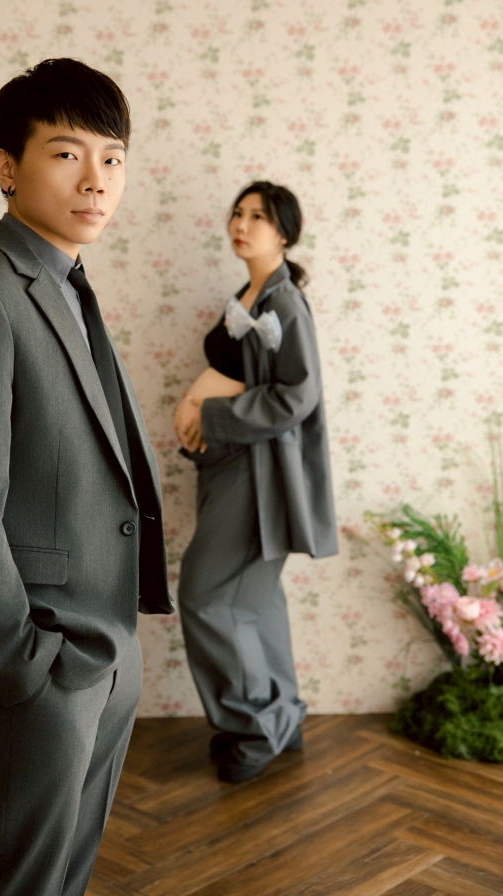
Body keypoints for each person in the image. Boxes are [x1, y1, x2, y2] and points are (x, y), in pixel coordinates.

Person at [0, 58, 173, 895]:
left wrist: (110, 652)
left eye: (113, 157)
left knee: (62, 879)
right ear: (6, 167)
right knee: (17, 882)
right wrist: (22, 666)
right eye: (66, 153)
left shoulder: (65, 284)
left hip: (102, 649)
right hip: (38, 666)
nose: (97, 179)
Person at [174, 181, 337, 783]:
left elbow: (298, 395)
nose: (242, 225)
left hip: (257, 473)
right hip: (231, 467)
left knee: (207, 597)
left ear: (284, 232)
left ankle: (251, 729)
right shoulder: (248, 295)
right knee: (255, 602)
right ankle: (280, 719)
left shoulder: (284, 303)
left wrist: (210, 413)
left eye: (259, 217)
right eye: (238, 214)